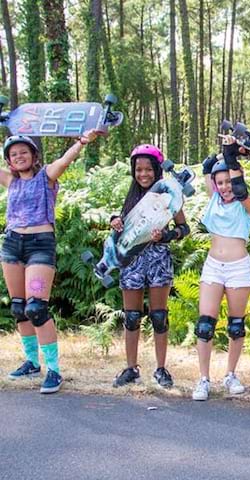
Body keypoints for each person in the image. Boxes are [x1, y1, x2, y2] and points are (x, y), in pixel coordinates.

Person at [2, 131, 102, 393]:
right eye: (14, 154)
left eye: (24, 152)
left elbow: (65, 161)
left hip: (40, 245)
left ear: (34, 155)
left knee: (36, 309)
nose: (19, 157)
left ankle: (54, 370)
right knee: (19, 307)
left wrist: (83, 141)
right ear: (9, 161)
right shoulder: (10, 181)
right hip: (12, 244)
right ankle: (32, 363)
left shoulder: (46, 177)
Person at [111, 144, 189, 389]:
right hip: (133, 261)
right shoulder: (130, 196)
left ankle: (161, 369)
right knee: (132, 317)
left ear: (157, 170)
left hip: (158, 259)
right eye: (138, 169)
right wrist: (114, 221)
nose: (143, 174)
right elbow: (120, 225)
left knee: (158, 316)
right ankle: (131, 368)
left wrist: (165, 237)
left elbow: (183, 229)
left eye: (148, 170)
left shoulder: (169, 196)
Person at [192, 142, 250, 401]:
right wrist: (225, 149)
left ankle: (230, 374)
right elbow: (207, 169)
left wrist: (233, 162)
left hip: (238, 269)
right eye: (220, 183)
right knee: (205, 325)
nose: (224, 188)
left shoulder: (247, 205)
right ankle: (203, 379)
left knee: (236, 325)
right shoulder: (214, 202)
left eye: (228, 183)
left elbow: (240, 190)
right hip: (213, 267)